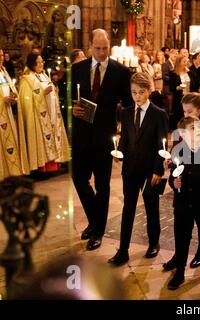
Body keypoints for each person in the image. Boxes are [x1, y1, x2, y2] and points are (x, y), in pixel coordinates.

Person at [71, 29, 133, 251]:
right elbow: (68, 99)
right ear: (90, 46)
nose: (101, 52)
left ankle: (98, 231)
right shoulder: (77, 68)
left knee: (103, 185)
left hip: (105, 137)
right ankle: (95, 220)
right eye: (97, 48)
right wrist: (72, 109)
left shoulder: (120, 71)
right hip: (81, 135)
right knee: (78, 178)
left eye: (105, 48)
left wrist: (124, 136)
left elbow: (128, 106)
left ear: (109, 46)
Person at [108, 72, 168, 266]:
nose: (137, 96)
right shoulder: (125, 112)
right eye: (134, 92)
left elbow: (162, 144)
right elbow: (125, 138)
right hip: (130, 169)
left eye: (141, 92)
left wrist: (158, 170)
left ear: (149, 91)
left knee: (151, 208)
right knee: (128, 208)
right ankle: (123, 250)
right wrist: (120, 153)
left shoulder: (159, 114)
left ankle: (153, 243)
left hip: (150, 169)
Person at [163, 93, 200, 272]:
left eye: (190, 111)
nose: (186, 115)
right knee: (182, 232)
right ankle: (179, 263)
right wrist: (171, 166)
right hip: (185, 192)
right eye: (184, 111)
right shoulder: (182, 130)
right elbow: (176, 160)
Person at [18, 52, 70, 174]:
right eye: (39, 62)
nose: (41, 64)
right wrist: (43, 93)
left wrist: (54, 91)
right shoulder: (27, 79)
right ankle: (42, 168)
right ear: (32, 63)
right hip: (38, 117)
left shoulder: (43, 75)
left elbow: (49, 90)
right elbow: (26, 99)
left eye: (42, 62)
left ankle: (54, 165)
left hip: (50, 113)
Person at [0, 49, 29, 181]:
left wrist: (13, 96)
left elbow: (12, 87)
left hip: (8, 112)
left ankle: (12, 173)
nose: (1, 58)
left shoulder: (4, 71)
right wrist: (2, 100)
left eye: (1, 55)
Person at [168, 55, 199, 130]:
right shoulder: (173, 73)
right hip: (179, 98)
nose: (186, 63)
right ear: (179, 62)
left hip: (190, 98)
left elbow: (195, 85)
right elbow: (171, 87)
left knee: (190, 117)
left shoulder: (190, 72)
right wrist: (179, 87)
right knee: (179, 116)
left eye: (186, 61)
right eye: (184, 61)